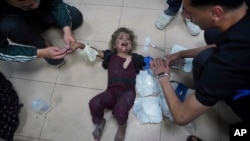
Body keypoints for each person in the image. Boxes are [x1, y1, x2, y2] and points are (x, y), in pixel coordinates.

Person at [150, 0, 250, 141]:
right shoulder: (241, 13)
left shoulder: (226, 65)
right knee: (212, 34)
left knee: (237, 133)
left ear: (216, 13)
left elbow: (181, 116)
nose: (185, 16)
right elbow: (222, 43)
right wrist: (181, 54)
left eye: (189, 13)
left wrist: (162, 76)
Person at [70, 27, 146, 141]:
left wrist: (166, 62)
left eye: (128, 39)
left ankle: (122, 125)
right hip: (111, 92)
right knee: (94, 103)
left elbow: (151, 62)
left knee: (120, 109)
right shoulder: (110, 56)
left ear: (131, 45)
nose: (125, 40)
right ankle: (100, 122)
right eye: (121, 38)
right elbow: (94, 52)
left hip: (127, 92)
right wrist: (80, 45)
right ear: (115, 45)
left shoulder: (135, 58)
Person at [0, 0, 83, 66]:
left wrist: (66, 30)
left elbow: (57, 3)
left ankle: (35, 25)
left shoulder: (36, 5)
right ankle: (40, 43)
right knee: (14, 27)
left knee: (75, 17)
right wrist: (41, 53)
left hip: (41, 12)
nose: (36, 5)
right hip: (14, 22)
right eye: (27, 5)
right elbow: (2, 50)